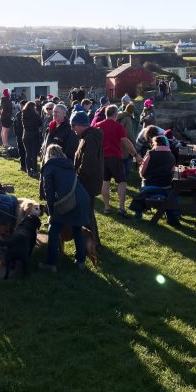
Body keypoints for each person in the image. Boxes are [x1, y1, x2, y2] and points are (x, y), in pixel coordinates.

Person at [39, 144, 92, 271]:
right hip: (83, 198)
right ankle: (81, 262)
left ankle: (51, 264)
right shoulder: (68, 165)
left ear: (48, 155)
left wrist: (51, 213)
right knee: (77, 228)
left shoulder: (49, 167)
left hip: (70, 201)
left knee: (53, 230)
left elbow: (49, 193)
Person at [95, 105, 141, 216]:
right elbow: (126, 141)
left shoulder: (98, 126)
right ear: (115, 115)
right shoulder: (118, 126)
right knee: (122, 182)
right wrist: (135, 155)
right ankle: (121, 207)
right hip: (115, 156)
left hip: (102, 157)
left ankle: (107, 207)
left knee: (105, 181)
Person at [71, 111, 104, 245]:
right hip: (88, 181)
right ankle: (93, 242)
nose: (73, 129)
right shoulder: (87, 137)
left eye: (73, 126)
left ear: (79, 125)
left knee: (86, 214)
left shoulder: (90, 138)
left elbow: (88, 163)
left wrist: (78, 177)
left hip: (87, 182)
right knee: (87, 212)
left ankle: (92, 243)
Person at [130, 136, 178, 223]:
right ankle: (172, 217)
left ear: (155, 143)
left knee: (143, 193)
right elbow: (172, 173)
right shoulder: (171, 156)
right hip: (165, 187)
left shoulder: (150, 153)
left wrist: (143, 176)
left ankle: (138, 213)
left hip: (149, 185)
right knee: (172, 196)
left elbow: (142, 172)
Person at [21, 100, 42, 176]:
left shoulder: (23, 114)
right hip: (34, 135)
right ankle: (35, 170)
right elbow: (40, 123)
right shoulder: (35, 115)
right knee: (34, 154)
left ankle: (28, 170)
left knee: (28, 153)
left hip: (26, 135)